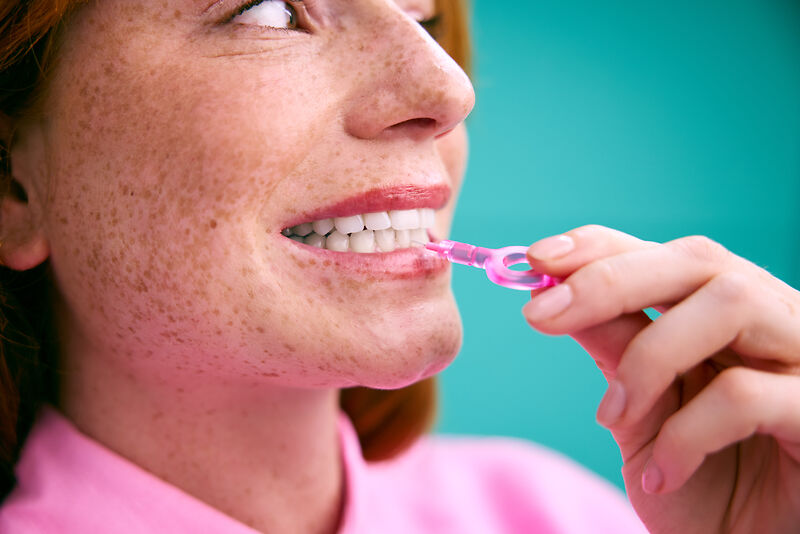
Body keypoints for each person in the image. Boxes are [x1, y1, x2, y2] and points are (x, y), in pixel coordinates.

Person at [0, 1, 797, 533]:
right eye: (272, 9)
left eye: (421, 13)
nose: (446, 88)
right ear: (11, 184)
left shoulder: (560, 513)